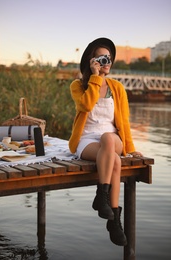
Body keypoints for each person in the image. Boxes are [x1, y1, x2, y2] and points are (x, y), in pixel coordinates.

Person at [69, 37, 142, 246]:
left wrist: (131, 148)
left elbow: (124, 122)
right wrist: (95, 77)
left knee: (109, 138)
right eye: (102, 58)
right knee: (116, 162)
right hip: (86, 140)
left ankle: (102, 196)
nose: (107, 62)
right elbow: (85, 105)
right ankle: (114, 221)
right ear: (92, 61)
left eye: (109, 58)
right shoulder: (78, 85)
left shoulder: (117, 87)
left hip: (112, 139)